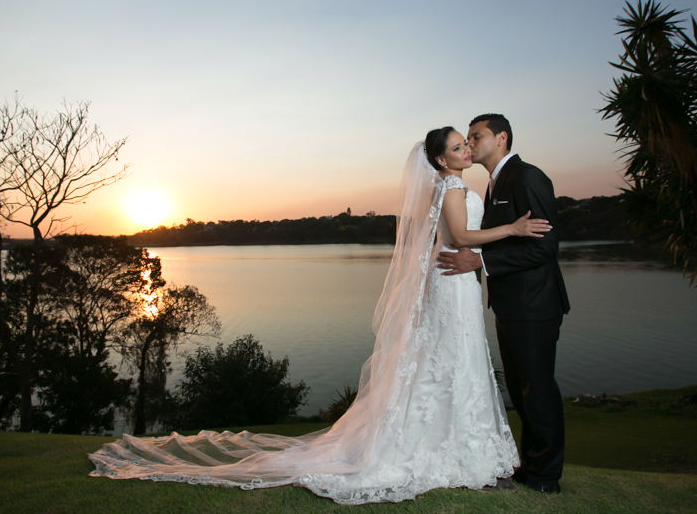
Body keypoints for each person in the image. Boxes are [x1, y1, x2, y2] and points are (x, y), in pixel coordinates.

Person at [88, 127, 551, 504]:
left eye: (467, 142)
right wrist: (513, 228)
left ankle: (455, 445)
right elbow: (460, 236)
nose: (466, 149)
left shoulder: (453, 184)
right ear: (439, 159)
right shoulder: (451, 186)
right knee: (451, 358)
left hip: (456, 280)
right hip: (452, 282)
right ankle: (449, 448)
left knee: (451, 360)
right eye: (457, 146)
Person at [437, 114, 570, 494]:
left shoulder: (528, 177)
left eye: (476, 136)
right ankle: (531, 465)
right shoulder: (495, 182)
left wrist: (481, 262)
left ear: (502, 138)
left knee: (538, 389)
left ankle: (545, 477)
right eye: (467, 139)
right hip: (510, 305)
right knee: (522, 388)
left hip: (535, 305)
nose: (470, 144)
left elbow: (544, 248)